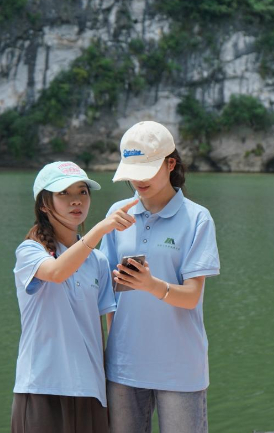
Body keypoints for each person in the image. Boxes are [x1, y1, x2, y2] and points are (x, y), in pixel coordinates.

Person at [100, 121, 221, 433]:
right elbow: (109, 294)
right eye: (133, 172)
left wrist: (151, 285)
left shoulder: (197, 218)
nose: (138, 180)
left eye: (147, 170)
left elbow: (192, 296)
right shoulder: (117, 215)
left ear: (171, 164)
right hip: (124, 367)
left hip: (180, 368)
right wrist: (116, 351)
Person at [11, 161, 138, 433]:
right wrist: (100, 230)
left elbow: (102, 329)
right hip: (42, 387)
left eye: (82, 192)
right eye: (63, 193)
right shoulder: (30, 251)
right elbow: (56, 272)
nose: (76, 200)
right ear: (44, 205)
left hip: (90, 391)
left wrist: (109, 386)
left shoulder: (98, 261)